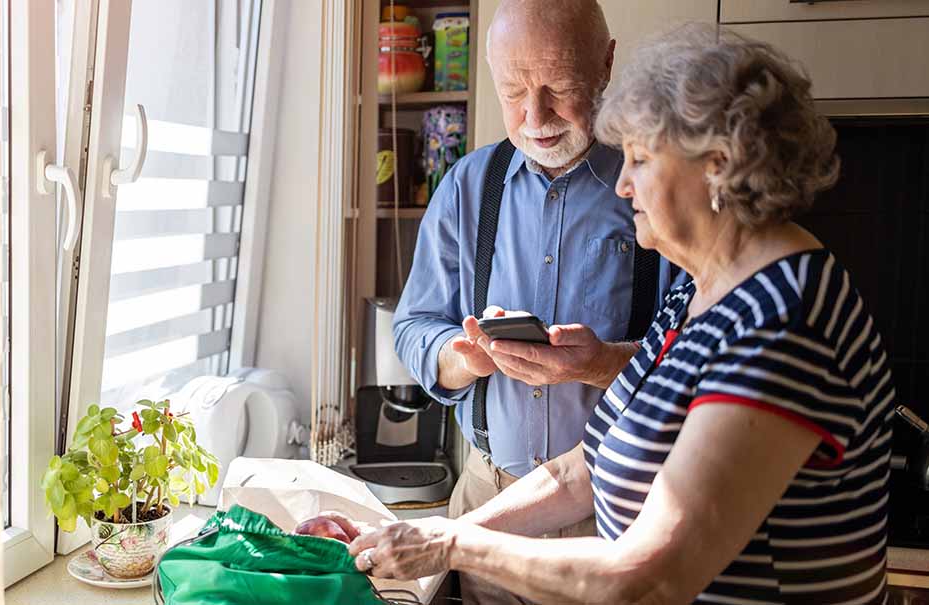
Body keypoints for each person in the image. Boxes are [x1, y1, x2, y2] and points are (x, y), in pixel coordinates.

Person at [345, 24, 894, 604]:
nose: (624, 184)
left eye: (639, 159)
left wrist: (454, 547)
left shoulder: (783, 319)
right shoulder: (705, 295)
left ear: (717, 165)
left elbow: (652, 576)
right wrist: (446, 531)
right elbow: (579, 472)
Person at [392, 2, 678, 601]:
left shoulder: (657, 192)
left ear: (606, 64)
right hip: (488, 492)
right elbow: (415, 323)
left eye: (559, 87)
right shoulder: (468, 187)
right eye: (514, 90)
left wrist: (599, 363)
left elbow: (694, 359)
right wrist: (462, 357)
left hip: (611, 513)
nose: (535, 115)